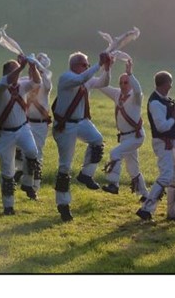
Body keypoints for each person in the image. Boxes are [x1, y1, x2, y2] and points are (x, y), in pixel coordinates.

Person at [51, 51, 111, 221]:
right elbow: (80, 80)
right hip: (66, 126)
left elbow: (103, 82)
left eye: (88, 64)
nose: (87, 66)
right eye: (85, 64)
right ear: (76, 65)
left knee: (98, 141)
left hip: (82, 122)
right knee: (65, 167)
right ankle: (63, 204)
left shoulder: (85, 78)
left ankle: (86, 174)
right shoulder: (66, 77)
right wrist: (98, 65)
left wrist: (107, 68)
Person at [0, 54, 42, 215]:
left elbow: (36, 82)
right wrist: (21, 66)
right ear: (6, 73)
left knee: (33, 153)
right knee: (7, 172)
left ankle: (27, 183)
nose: (18, 75)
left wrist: (32, 66)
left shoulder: (21, 85)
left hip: (23, 128)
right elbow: (10, 79)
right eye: (15, 72)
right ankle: (8, 206)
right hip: (4, 135)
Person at [136, 71, 175, 221]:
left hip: (172, 142)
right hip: (163, 143)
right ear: (165, 84)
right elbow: (161, 126)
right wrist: (174, 117)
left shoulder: (164, 100)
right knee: (166, 176)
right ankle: (146, 209)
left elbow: (171, 125)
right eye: (170, 83)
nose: (171, 86)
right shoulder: (155, 102)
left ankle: (173, 213)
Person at [97, 58, 149, 201]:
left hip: (136, 137)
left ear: (131, 83)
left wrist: (129, 73)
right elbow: (101, 85)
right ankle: (144, 195)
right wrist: (106, 69)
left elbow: (138, 89)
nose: (123, 85)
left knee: (115, 152)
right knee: (133, 168)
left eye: (126, 82)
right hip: (125, 137)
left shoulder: (136, 96)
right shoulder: (117, 94)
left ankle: (114, 184)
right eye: (121, 83)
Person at [13, 52, 53, 200]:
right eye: (33, 67)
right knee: (22, 151)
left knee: (37, 155)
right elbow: (13, 81)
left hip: (40, 124)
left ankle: (33, 186)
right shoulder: (24, 81)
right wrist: (20, 64)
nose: (34, 70)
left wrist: (36, 66)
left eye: (37, 67)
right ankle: (21, 176)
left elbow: (45, 82)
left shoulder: (46, 83)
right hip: (24, 121)